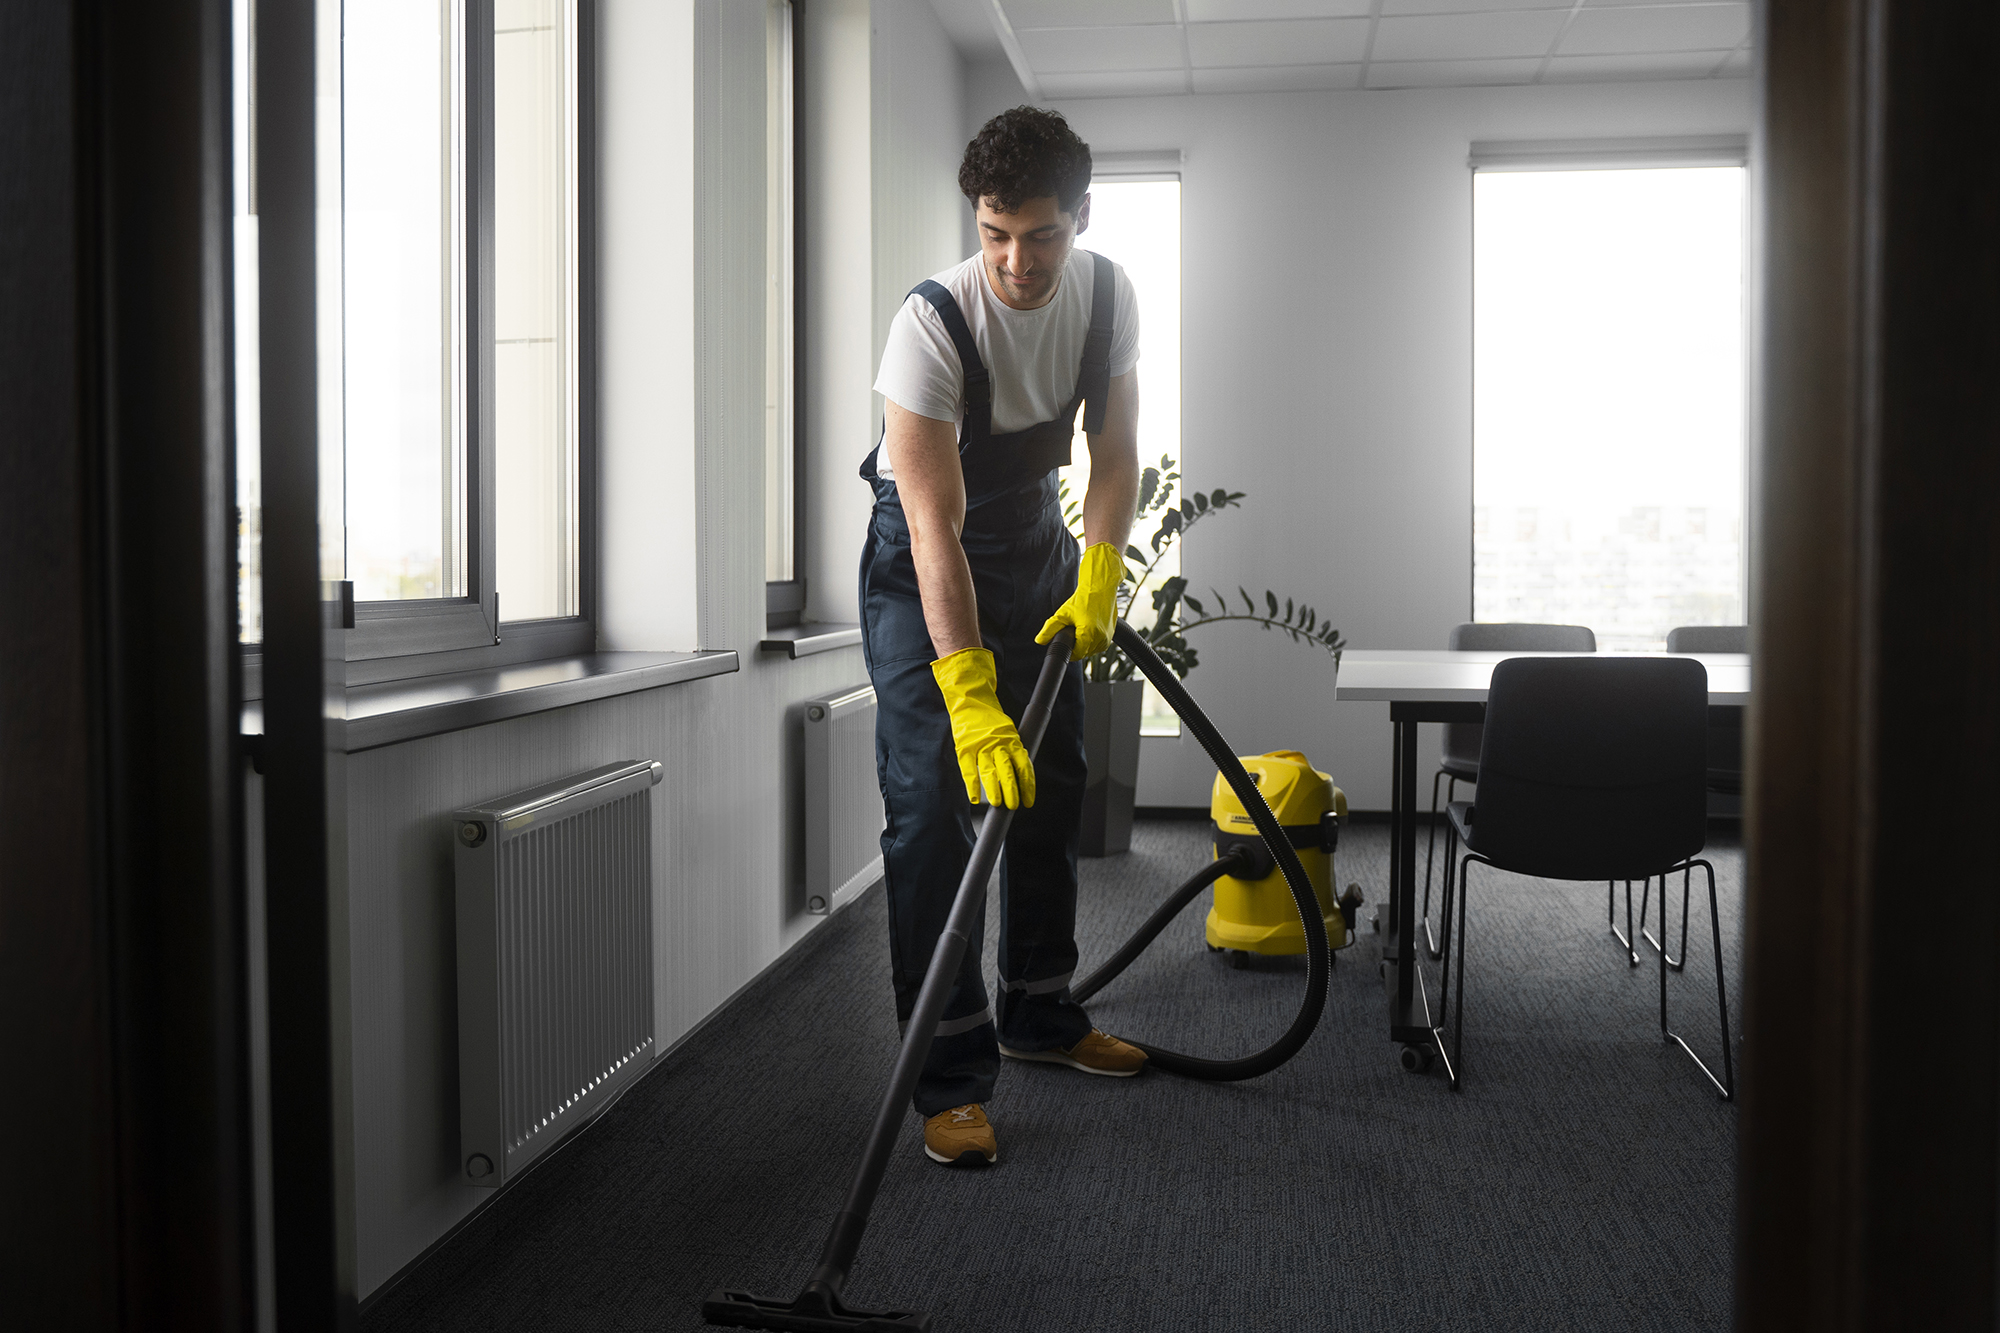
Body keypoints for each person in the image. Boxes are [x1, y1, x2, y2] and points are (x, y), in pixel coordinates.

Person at [860, 107, 1146, 1167]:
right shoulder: (932, 323)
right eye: (993, 233)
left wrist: (1101, 570)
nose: (1015, 261)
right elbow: (932, 525)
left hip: (1033, 537)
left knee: (1051, 775)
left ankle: (1038, 1009)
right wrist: (969, 691)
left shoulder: (1107, 296)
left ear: (1078, 218)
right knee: (935, 805)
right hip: (918, 563)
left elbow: (1111, 455)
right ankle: (945, 1072)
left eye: (1038, 234)